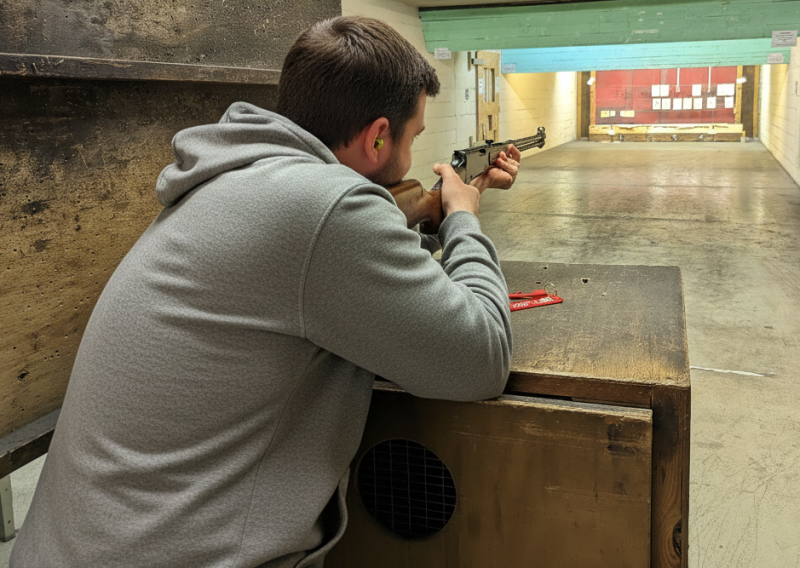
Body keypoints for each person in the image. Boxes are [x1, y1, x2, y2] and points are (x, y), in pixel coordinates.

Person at [11, 15, 520, 568]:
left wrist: (438, 212)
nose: (412, 154)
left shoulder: (235, 174)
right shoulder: (324, 207)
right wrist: (464, 218)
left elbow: (343, 277)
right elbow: (481, 356)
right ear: (377, 135)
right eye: (413, 136)